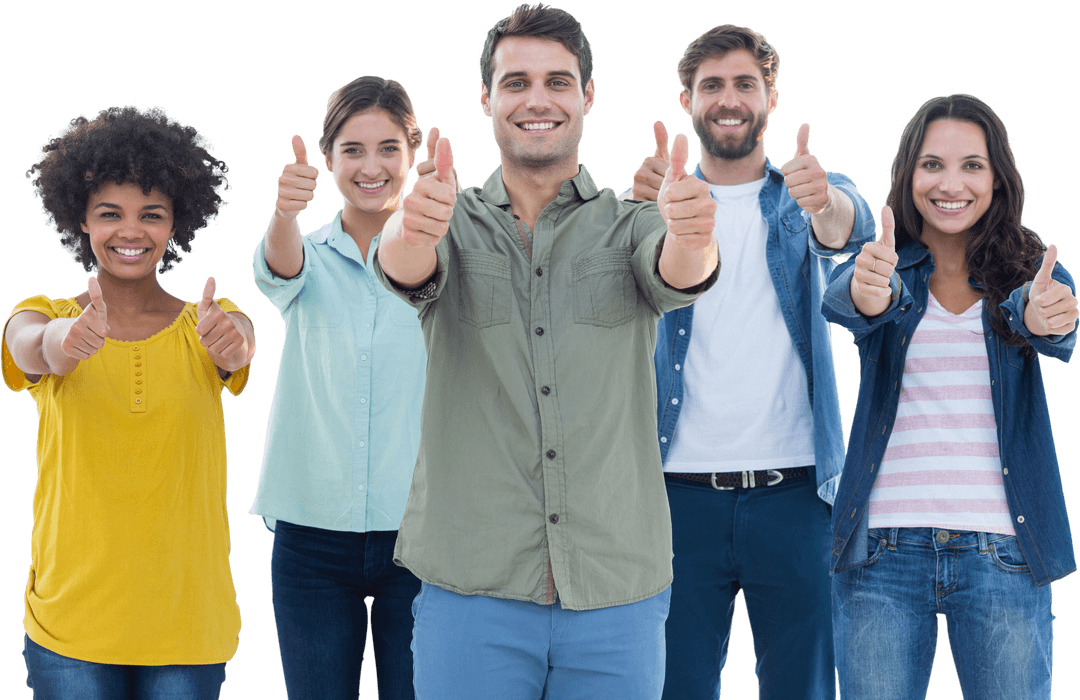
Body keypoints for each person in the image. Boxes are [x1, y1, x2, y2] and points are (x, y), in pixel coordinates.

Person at [372, 4, 719, 698]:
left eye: (558, 82)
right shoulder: (448, 217)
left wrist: (695, 230)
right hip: (473, 587)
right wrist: (409, 227)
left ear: (587, 97)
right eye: (516, 82)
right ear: (487, 99)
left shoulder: (630, 223)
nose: (538, 99)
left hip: (615, 592)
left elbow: (680, 268)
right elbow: (406, 263)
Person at [624, 25, 875, 699]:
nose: (728, 99)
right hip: (674, 498)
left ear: (771, 97)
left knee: (807, 688)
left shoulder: (807, 193)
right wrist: (629, 208)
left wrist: (825, 203)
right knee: (671, 686)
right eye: (712, 85)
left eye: (744, 84)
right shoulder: (656, 208)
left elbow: (851, 233)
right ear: (687, 100)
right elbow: (595, 284)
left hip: (796, 497)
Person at [823, 93, 1077, 699]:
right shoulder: (882, 267)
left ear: (997, 178)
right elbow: (853, 304)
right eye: (932, 164)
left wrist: (1043, 318)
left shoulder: (1030, 270)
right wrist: (872, 291)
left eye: (972, 165)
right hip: (881, 551)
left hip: (1005, 551)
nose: (950, 183)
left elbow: (1049, 318)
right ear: (910, 175)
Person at [3, 105, 255, 699]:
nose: (131, 231)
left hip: (188, 631)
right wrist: (64, 341)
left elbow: (240, 345)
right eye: (109, 214)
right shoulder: (44, 313)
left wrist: (236, 341)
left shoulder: (207, 324)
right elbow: (31, 347)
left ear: (176, 226)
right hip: (71, 631)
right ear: (81, 221)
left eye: (152, 215)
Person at [248, 76, 429, 700]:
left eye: (388, 149)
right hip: (312, 538)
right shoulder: (305, 253)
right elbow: (279, 267)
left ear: (413, 154)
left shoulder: (443, 257)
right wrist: (284, 213)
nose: (370, 167)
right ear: (328, 159)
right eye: (352, 150)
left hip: (424, 535)